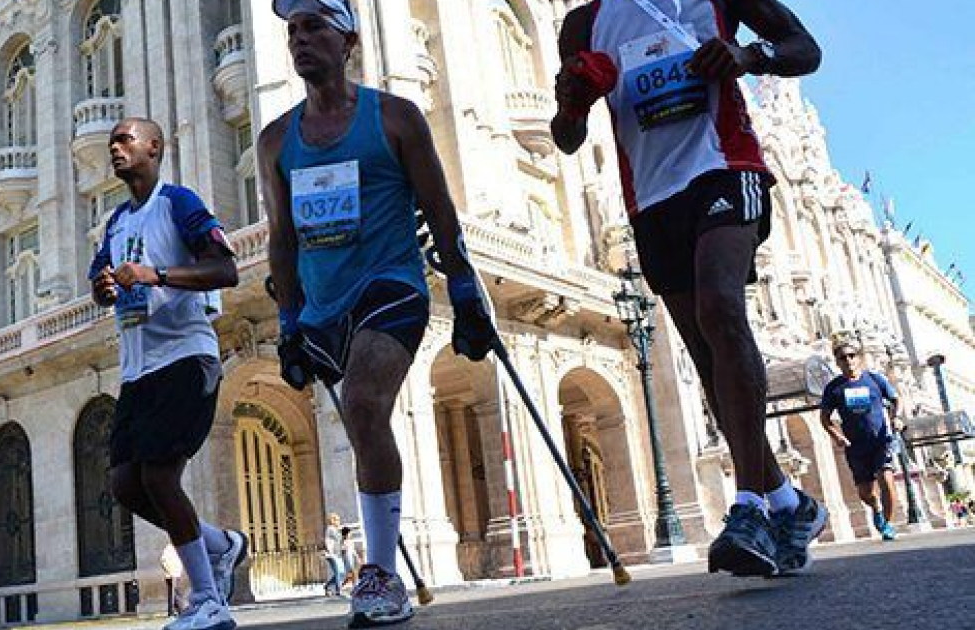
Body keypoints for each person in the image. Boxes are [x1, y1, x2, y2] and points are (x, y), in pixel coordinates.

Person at [550, 0, 824, 577]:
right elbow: (566, 136)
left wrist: (750, 55)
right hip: (651, 198)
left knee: (721, 307)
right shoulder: (582, 23)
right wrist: (576, 98)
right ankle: (787, 502)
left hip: (726, 166)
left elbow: (805, 48)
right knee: (704, 354)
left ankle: (748, 506)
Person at [260, 0, 496, 625]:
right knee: (361, 425)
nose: (300, 40)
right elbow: (280, 238)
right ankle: (381, 560)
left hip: (391, 286)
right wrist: (288, 324)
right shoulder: (276, 139)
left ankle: (381, 574)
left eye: (314, 26)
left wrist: (466, 290)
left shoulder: (395, 117)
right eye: (292, 31)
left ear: (349, 38)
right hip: (320, 305)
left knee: (365, 403)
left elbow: (439, 208)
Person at [88, 117, 247, 630]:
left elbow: (225, 268)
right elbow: (99, 279)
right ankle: (221, 545)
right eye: (112, 142)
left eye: (125, 139)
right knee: (125, 485)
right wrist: (105, 288)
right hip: (137, 368)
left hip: (186, 355)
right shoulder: (115, 222)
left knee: (159, 474)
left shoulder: (178, 202)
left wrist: (156, 274)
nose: (115, 147)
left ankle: (207, 600)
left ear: (154, 147)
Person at [820, 338, 903, 541]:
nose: (848, 360)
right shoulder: (834, 388)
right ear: (837, 362)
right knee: (865, 493)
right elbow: (824, 417)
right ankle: (876, 507)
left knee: (886, 479)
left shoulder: (875, 379)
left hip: (881, 440)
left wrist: (896, 417)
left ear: (859, 358)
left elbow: (896, 399)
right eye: (842, 358)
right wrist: (837, 436)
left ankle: (888, 525)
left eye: (852, 355)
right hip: (856, 446)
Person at [162, 543, 192, 616]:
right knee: (174, 593)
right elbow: (163, 560)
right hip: (172, 574)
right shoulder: (170, 548)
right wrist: (170, 571)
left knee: (175, 592)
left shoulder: (175, 548)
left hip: (175, 573)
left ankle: (176, 610)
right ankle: (174, 610)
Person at [323, 513, 345, 597]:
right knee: (338, 572)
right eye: (337, 520)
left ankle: (328, 586)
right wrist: (343, 531)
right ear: (332, 521)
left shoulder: (335, 529)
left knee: (341, 572)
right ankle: (338, 590)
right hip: (332, 555)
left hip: (337, 554)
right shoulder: (331, 529)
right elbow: (339, 538)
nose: (338, 521)